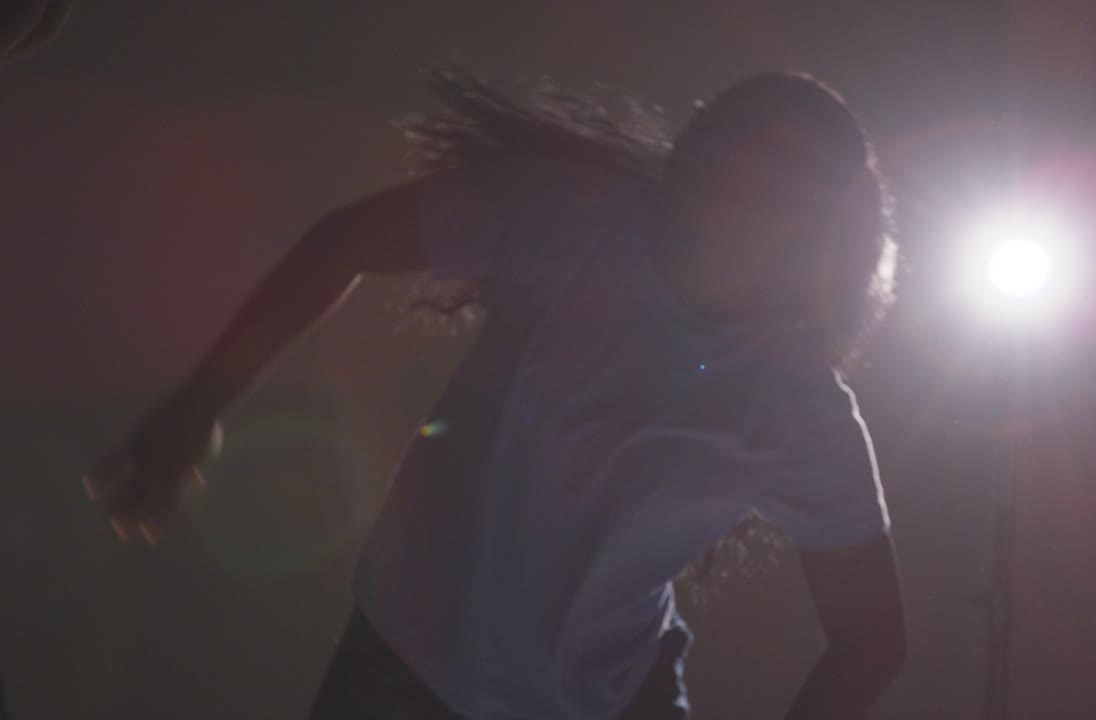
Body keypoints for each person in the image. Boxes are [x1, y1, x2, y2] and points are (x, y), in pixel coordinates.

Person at [82, 69, 907, 719]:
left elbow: (871, 642)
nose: (728, 162)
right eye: (725, 134)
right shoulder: (567, 217)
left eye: (769, 165)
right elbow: (341, 243)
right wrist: (196, 409)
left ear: (813, 223)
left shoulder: (803, 412)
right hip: (400, 669)